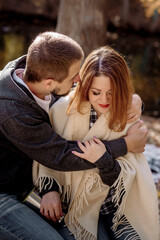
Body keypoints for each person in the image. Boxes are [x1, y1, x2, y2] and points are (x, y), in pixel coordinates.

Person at [0, 31, 147, 240]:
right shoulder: (12, 112)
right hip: (4, 193)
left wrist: (134, 99)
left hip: (26, 185)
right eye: (74, 76)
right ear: (50, 83)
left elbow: (97, 90)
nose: (79, 79)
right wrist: (126, 144)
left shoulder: (30, 73)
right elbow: (62, 155)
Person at [34, 46, 159, 240]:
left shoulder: (126, 112)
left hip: (119, 204)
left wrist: (103, 159)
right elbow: (49, 155)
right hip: (77, 204)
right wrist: (49, 189)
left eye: (111, 92)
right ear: (85, 86)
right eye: (96, 92)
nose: (104, 100)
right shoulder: (61, 111)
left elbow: (122, 178)